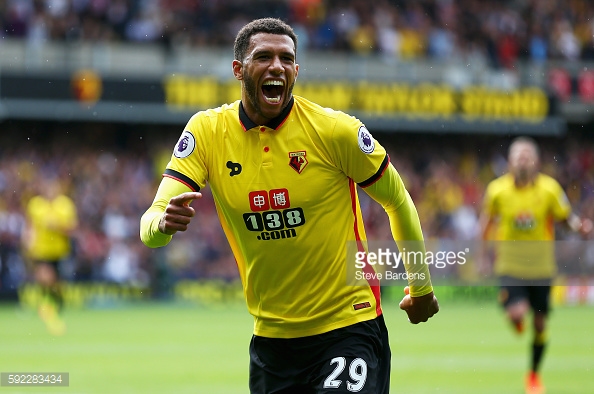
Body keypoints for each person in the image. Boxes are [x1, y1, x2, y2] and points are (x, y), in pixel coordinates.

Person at [141, 17, 439, 393]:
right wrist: (162, 225)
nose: (277, 66)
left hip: (347, 327)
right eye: (263, 56)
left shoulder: (335, 131)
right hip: (272, 341)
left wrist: (421, 285)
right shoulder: (207, 132)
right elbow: (151, 226)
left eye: (286, 58)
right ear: (239, 69)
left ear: (296, 70)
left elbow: (397, 200)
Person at [479, 136, 592, 394]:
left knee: (540, 324)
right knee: (517, 313)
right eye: (518, 157)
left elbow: (566, 217)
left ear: (536, 162)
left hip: (542, 267)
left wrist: (580, 227)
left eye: (527, 157)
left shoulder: (550, 189)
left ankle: (533, 375)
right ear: (509, 162)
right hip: (509, 265)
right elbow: (486, 222)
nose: (523, 161)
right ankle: (516, 316)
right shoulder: (497, 191)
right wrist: (483, 254)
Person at [24, 177, 78, 336]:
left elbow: (72, 228)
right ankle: (47, 308)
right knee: (46, 278)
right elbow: (30, 226)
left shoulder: (64, 204)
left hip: (60, 251)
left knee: (56, 284)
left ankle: (54, 303)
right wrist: (28, 240)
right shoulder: (36, 205)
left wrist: (57, 226)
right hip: (41, 250)